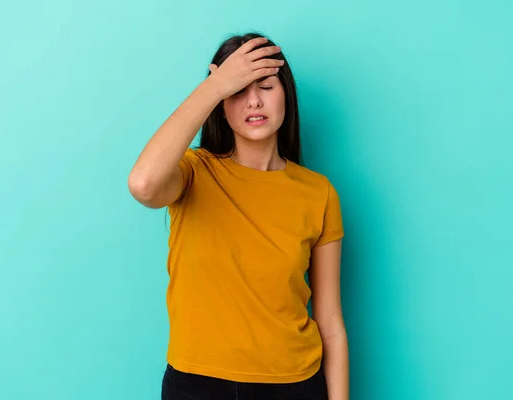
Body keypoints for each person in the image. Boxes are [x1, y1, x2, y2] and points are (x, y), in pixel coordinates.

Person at [128, 32, 349, 400]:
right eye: (238, 90)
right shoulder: (193, 173)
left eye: (265, 86)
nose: (254, 101)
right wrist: (215, 86)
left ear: (286, 96)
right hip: (196, 385)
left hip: (294, 385)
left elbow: (330, 322)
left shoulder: (319, 193)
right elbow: (143, 184)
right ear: (221, 102)